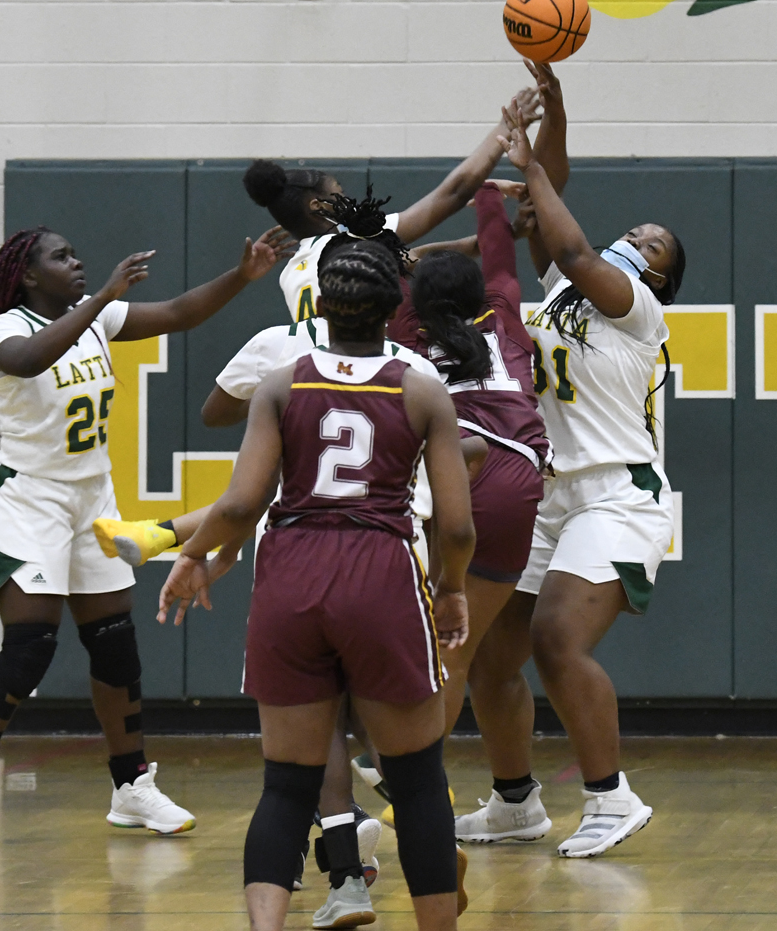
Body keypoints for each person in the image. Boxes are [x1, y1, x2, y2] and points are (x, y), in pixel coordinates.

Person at [0, 222, 292, 850]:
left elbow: (178, 312)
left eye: (76, 251)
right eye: (61, 257)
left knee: (115, 644)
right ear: (28, 274)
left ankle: (131, 787)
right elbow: (33, 359)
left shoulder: (92, 315)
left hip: (92, 495)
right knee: (30, 646)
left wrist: (242, 275)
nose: (77, 262)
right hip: (30, 497)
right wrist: (98, 301)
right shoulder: (5, 329)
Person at [156, 242, 477, 931]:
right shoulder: (420, 387)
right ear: (396, 307)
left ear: (320, 306)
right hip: (381, 569)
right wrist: (450, 589)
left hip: (291, 569)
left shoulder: (280, 382)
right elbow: (455, 524)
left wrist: (195, 554)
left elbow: (243, 502)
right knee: (418, 779)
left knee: (286, 783)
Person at [457, 71, 686, 859]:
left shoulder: (636, 310)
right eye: (639, 229)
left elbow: (571, 238)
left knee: (558, 636)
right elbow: (552, 203)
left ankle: (611, 798)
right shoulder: (561, 291)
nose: (637, 236)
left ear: (656, 275)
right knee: (493, 657)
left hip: (619, 494)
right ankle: (517, 802)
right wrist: (554, 113)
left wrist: (529, 170)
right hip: (552, 498)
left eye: (652, 243)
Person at [407, 182, 551, 743]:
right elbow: (499, 250)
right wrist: (490, 196)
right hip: (513, 479)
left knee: (431, 653)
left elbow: (398, 258)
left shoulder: (404, 337)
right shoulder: (507, 319)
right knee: (456, 654)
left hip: (447, 474)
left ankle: (412, 788)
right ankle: (432, 790)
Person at [242, 87, 543, 323]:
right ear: (319, 206)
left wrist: (508, 232)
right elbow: (452, 194)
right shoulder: (354, 241)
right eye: (341, 194)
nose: (350, 202)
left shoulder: (291, 273)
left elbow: (417, 257)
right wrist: (507, 126)